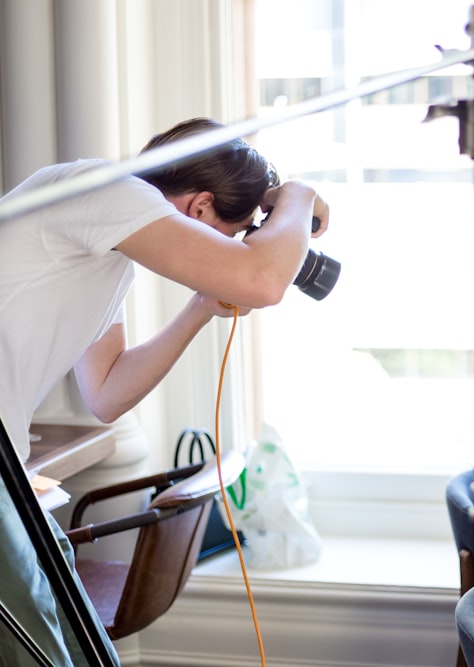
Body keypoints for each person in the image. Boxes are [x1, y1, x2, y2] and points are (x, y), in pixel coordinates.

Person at [0, 117, 329, 665]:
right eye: (233, 234)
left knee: (72, 626)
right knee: (34, 644)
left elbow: (105, 393)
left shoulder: (110, 252)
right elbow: (262, 280)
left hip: (10, 462)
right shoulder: (106, 190)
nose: (226, 250)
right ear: (200, 209)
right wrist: (298, 195)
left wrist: (200, 307)